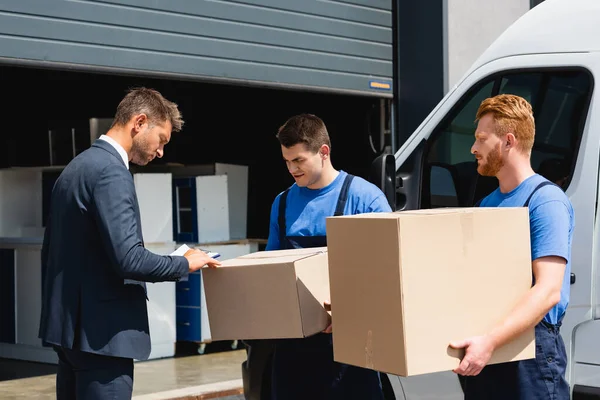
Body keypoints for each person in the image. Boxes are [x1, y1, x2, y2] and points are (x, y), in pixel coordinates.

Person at [38, 87, 221, 400]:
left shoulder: (76, 168)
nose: (161, 152)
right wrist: (184, 263)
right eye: (161, 140)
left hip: (70, 335)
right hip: (103, 338)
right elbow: (129, 260)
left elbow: (58, 251)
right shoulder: (112, 172)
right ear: (139, 122)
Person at [243, 114, 391, 400]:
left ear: (324, 152)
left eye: (298, 161)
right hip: (293, 351)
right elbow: (272, 268)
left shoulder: (365, 199)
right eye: (286, 161)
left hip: (351, 348)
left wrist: (352, 307)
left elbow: (388, 272)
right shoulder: (282, 203)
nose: (291, 169)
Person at [450, 94, 574, 399]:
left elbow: (547, 291)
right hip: (486, 349)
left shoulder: (545, 201)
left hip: (530, 355)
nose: (473, 148)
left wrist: (490, 342)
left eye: (481, 138)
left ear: (508, 141)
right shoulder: (484, 205)